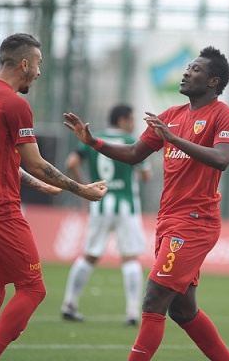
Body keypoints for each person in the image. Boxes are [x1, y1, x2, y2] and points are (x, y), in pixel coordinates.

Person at [64, 46, 229, 361]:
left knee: (153, 300)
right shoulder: (171, 116)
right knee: (183, 311)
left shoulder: (224, 115)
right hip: (168, 221)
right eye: (187, 66)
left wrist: (173, 140)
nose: (186, 72)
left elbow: (222, 159)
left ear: (213, 82)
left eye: (195, 69)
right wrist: (94, 143)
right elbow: (134, 154)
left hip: (195, 222)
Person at [0, 33, 108, 361]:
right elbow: (36, 163)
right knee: (33, 289)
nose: (39, 72)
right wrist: (80, 189)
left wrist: (39, 186)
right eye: (38, 64)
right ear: (24, 64)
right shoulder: (15, 103)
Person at [61, 103, 152, 325]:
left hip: (99, 204)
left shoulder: (93, 137)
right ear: (122, 121)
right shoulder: (132, 142)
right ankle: (132, 312)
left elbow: (71, 163)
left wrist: (84, 188)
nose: (133, 124)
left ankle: (70, 304)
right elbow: (147, 175)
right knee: (130, 257)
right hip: (126, 206)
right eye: (131, 119)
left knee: (89, 255)